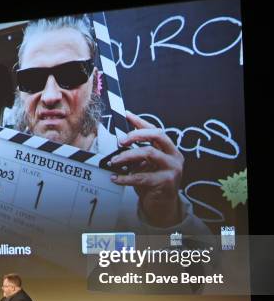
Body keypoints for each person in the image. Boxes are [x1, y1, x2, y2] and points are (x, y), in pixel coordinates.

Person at [11, 16, 210, 234]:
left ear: (97, 83)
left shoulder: (141, 175)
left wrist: (166, 217)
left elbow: (204, 265)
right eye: (31, 78)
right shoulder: (6, 163)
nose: (50, 96)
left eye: (70, 74)